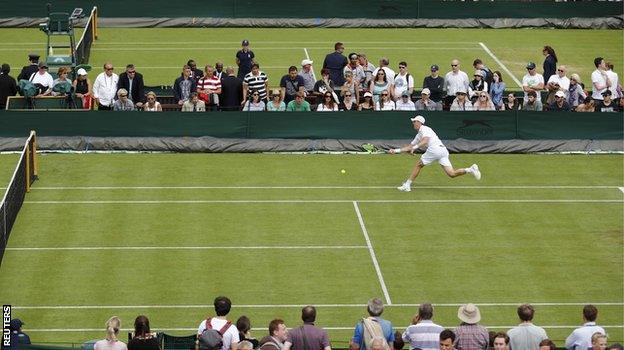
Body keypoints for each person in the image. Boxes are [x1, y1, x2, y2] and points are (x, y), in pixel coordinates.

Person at [391, 115, 481, 192]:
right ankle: (470, 169)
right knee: (451, 174)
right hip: (443, 151)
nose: (413, 123)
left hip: (435, 149)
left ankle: (407, 185)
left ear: (419, 122)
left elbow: (425, 141)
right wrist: (395, 151)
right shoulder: (419, 135)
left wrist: (414, 148)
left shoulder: (425, 129)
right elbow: (409, 146)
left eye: (414, 121)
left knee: (419, 165)